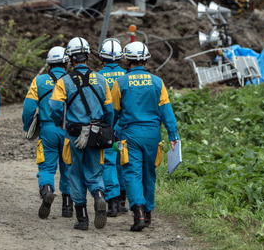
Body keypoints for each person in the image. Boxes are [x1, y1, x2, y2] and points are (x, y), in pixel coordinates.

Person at [110, 41, 179, 232]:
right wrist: (173, 135)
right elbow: (166, 111)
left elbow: (113, 112)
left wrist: (110, 131)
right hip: (152, 135)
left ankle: (138, 211)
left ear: (127, 60)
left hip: (129, 134)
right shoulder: (158, 82)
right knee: (149, 173)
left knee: (131, 173)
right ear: (146, 59)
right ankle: (148, 212)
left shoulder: (120, 82)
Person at [49, 37, 114, 231]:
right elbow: (109, 110)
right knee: (95, 172)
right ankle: (100, 196)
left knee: (75, 174)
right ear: (87, 55)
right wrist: (105, 127)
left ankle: (82, 219)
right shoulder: (101, 80)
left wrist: (61, 123)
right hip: (95, 133)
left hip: (74, 134)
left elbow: (54, 107)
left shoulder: (64, 82)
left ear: (69, 58)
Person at [22, 46, 73, 219]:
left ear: (49, 63)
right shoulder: (72, 79)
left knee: (46, 166)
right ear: (66, 62)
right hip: (69, 130)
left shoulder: (39, 80)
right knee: (68, 167)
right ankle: (68, 207)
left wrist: (28, 126)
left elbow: (28, 108)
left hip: (48, 129)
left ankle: (47, 191)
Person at [97, 38, 127, 218]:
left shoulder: (97, 77)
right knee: (123, 161)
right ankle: (123, 201)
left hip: (106, 129)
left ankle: (112, 202)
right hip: (123, 128)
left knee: (108, 162)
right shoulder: (126, 76)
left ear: (102, 56)